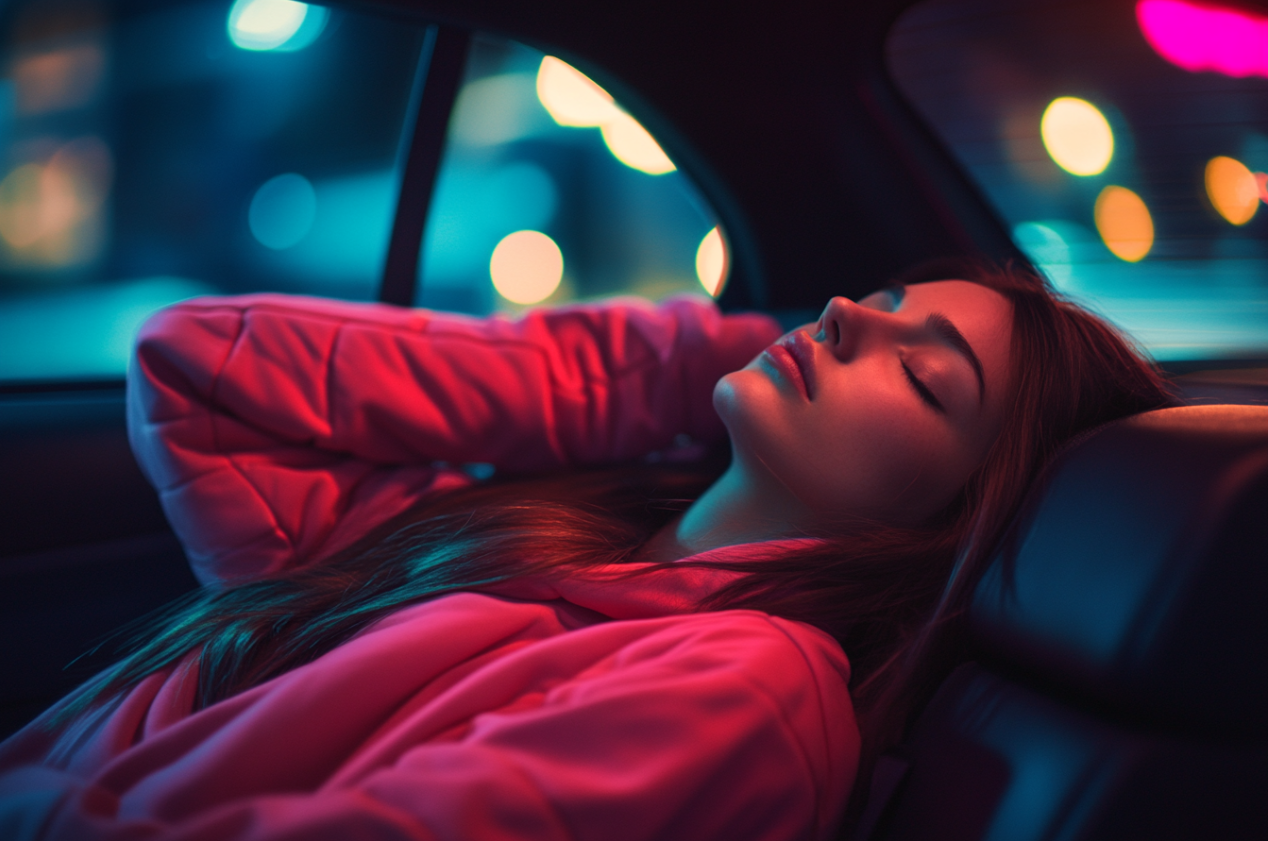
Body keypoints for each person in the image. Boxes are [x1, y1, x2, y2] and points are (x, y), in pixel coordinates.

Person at [0, 263, 1172, 840]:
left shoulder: (742, 693)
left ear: (947, 523)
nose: (842, 317)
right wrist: (685, 369)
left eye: (920, 374)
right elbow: (208, 369)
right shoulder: (549, 531)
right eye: (875, 297)